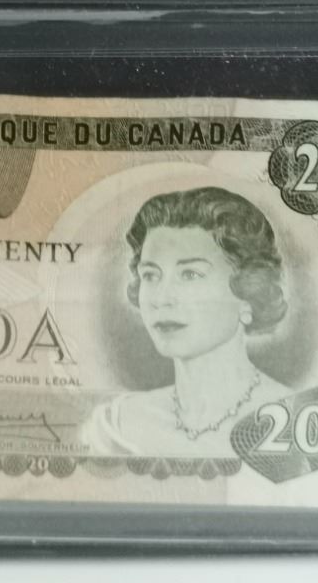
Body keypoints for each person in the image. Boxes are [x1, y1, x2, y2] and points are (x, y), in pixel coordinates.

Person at [86, 185, 288, 460]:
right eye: (151, 275)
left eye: (190, 274)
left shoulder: (294, 417)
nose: (162, 299)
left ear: (248, 292)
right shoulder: (118, 424)